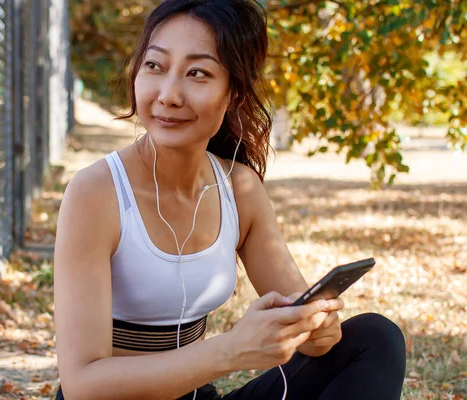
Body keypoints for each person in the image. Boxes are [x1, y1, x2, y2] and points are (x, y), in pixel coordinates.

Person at [53, 1, 407, 399]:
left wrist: (316, 328)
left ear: (234, 93)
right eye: (155, 66)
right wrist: (231, 351)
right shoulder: (97, 193)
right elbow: (83, 383)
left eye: (197, 73)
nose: (168, 94)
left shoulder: (238, 188)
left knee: (374, 338)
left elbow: (309, 337)